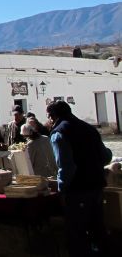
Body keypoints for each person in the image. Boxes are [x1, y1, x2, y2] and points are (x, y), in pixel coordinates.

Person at [46, 99, 112, 257]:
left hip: (78, 189)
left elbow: (66, 166)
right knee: (98, 229)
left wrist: (62, 190)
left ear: (52, 116)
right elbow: (105, 157)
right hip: (96, 185)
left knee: (77, 234)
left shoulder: (59, 133)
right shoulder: (89, 128)